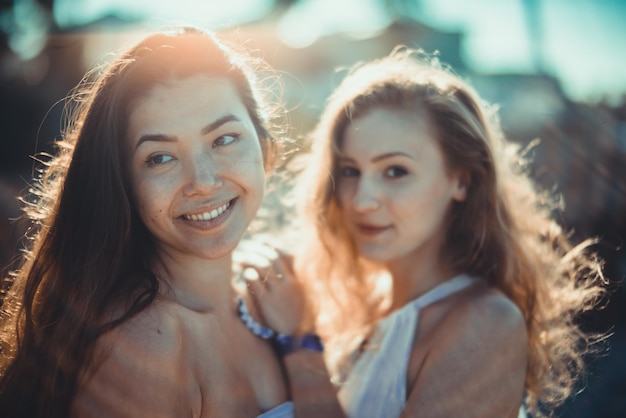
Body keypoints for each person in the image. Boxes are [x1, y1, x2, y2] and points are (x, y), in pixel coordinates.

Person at [244, 47, 606, 418]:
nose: (361, 201)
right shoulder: (353, 311)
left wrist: (303, 344)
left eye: (395, 171)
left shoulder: (485, 321)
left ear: (461, 180)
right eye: (350, 171)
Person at [0, 26, 342, 418]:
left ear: (265, 145)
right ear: (124, 183)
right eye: (160, 158)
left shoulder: (274, 294)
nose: (203, 181)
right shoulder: (147, 342)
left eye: (224, 139)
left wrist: (302, 341)